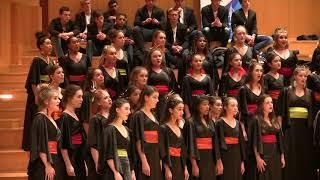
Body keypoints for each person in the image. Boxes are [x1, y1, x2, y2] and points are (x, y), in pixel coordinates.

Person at [279, 66, 316, 180]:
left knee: (304, 157)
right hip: (290, 130)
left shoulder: (310, 93)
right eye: (300, 75)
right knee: (291, 156)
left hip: (305, 130)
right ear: (295, 76)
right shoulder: (286, 91)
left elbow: (312, 114)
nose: (303, 78)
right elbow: (280, 113)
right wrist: (280, 130)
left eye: (305, 76)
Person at [23, 32, 55, 151]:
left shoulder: (51, 61)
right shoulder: (37, 60)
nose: (50, 46)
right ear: (41, 46)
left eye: (51, 44)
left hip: (49, 93)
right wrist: (37, 96)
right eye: (47, 44)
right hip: (39, 94)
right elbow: (33, 80)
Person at [183, 95, 223, 180]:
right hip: (198, 160)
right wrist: (194, 165)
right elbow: (190, 145)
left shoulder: (210, 121)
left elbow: (215, 143)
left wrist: (218, 162)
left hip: (210, 159)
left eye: (208, 104)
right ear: (197, 106)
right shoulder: (190, 122)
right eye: (204, 104)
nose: (207, 107)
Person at [27, 85, 61, 180]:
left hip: (53, 158)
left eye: (58, 98)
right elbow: (40, 144)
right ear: (46, 102)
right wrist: (47, 165)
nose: (59, 101)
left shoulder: (50, 117)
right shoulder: (40, 118)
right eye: (55, 98)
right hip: (43, 164)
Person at [130, 86, 163, 180]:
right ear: (146, 97)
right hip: (145, 156)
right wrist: (144, 161)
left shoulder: (154, 114)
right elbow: (138, 139)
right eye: (155, 97)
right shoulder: (139, 115)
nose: (157, 100)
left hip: (155, 155)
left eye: (158, 97)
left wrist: (159, 160)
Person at [98, 98, 136, 180]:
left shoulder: (127, 130)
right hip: (114, 170)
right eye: (126, 109)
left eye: (129, 109)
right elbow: (108, 153)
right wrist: (116, 172)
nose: (129, 112)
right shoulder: (109, 130)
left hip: (126, 167)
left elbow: (130, 152)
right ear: (117, 110)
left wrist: (132, 171)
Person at [250, 95, 285, 180]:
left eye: (271, 102)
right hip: (263, 154)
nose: (271, 105)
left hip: (275, 155)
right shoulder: (256, 119)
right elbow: (254, 141)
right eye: (267, 103)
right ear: (261, 105)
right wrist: (258, 158)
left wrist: (282, 156)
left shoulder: (274, 119)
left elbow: (279, 139)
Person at [59, 85, 86, 179]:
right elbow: (63, 144)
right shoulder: (64, 117)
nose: (82, 99)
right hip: (72, 158)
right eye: (79, 97)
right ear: (70, 98)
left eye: (82, 96)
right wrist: (68, 165)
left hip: (79, 157)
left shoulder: (75, 114)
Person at [215, 97, 246, 180]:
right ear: (225, 107)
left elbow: (241, 143)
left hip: (236, 157)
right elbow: (216, 144)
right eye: (232, 105)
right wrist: (218, 161)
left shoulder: (238, 123)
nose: (235, 108)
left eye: (236, 105)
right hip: (225, 157)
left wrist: (242, 161)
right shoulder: (219, 123)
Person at [159, 96, 189, 180]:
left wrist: (185, 168)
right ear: (170, 110)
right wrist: (167, 169)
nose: (182, 112)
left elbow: (183, 150)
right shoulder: (163, 128)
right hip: (169, 164)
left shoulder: (180, 128)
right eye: (179, 109)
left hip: (180, 164)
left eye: (183, 110)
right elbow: (162, 151)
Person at [146, 48, 177, 121]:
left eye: (159, 56)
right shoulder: (147, 71)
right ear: (150, 58)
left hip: (165, 100)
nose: (158, 58)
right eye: (155, 56)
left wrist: (170, 95)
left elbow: (173, 86)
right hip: (152, 101)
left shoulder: (168, 71)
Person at [87, 89, 112, 180]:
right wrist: (98, 163)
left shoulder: (114, 117)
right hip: (102, 159)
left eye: (109, 97)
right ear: (99, 102)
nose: (109, 99)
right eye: (105, 98)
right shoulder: (96, 119)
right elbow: (93, 144)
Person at [181, 54, 214, 119]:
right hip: (192, 106)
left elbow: (211, 96)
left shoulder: (207, 77)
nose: (198, 63)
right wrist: (187, 112)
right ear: (191, 63)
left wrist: (211, 111)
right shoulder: (187, 78)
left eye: (200, 61)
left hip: (205, 107)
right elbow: (185, 97)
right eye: (196, 61)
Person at [162, 8, 189, 84]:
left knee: (185, 54)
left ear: (178, 16)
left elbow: (187, 41)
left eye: (175, 15)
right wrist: (172, 47)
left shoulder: (183, 27)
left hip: (181, 48)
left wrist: (181, 47)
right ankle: (168, 79)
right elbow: (164, 41)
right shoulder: (164, 27)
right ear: (168, 16)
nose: (174, 16)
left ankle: (181, 81)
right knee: (165, 52)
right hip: (169, 48)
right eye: (172, 15)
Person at [238, 62, 264, 132]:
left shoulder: (262, 87)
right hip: (249, 122)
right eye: (257, 70)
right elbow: (241, 111)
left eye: (261, 71)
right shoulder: (243, 89)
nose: (259, 73)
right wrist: (243, 130)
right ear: (251, 72)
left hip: (261, 121)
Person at [79, 68, 105, 134]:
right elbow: (86, 120)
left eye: (102, 74)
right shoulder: (88, 95)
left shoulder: (104, 91)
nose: (101, 76)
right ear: (92, 79)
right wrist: (90, 137)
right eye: (98, 75)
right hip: (93, 129)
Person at [263, 52, 284, 117]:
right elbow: (265, 92)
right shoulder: (265, 77)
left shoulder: (282, 76)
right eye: (275, 61)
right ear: (269, 64)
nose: (279, 63)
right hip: (271, 103)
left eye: (279, 61)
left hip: (281, 102)